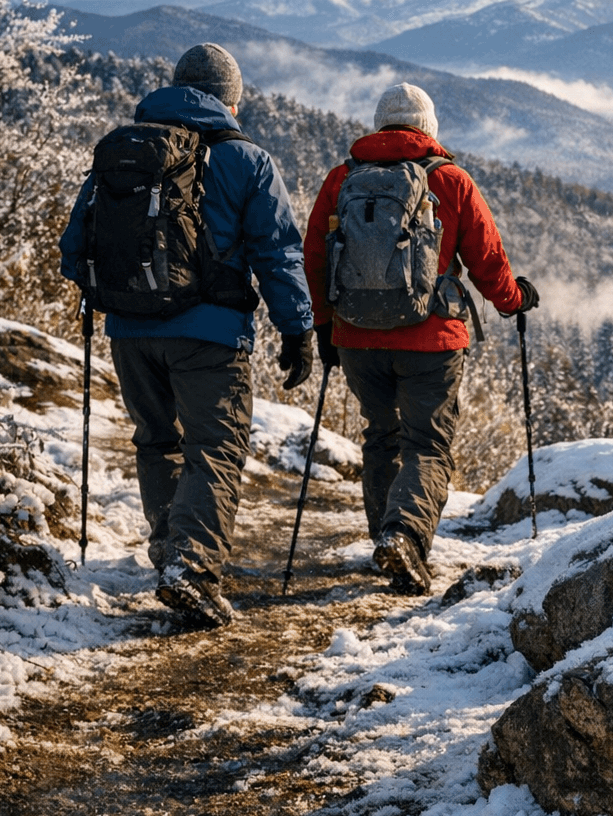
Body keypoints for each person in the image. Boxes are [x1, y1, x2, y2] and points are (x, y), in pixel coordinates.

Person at [59, 43, 315, 627]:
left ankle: (170, 551)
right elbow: (277, 252)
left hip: (128, 331)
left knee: (156, 441)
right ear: (231, 98)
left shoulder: (123, 152)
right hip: (210, 333)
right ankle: (193, 567)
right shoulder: (246, 160)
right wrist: (298, 329)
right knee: (214, 448)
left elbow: (76, 248)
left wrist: (117, 295)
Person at [303, 82, 537, 596]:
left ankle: (386, 538)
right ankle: (403, 537)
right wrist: (513, 301)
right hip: (431, 339)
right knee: (427, 445)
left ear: (380, 124)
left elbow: (315, 257)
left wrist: (323, 326)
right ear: (429, 130)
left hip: (358, 337)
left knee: (381, 436)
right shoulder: (450, 180)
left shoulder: (342, 178)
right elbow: (486, 261)